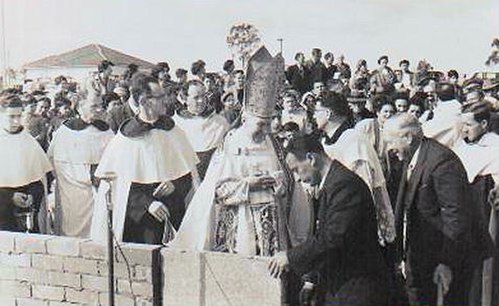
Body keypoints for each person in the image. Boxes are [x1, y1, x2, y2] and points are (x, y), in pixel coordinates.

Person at [171, 46, 311, 256]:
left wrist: (278, 181)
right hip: (240, 225)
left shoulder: (272, 143)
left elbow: (290, 182)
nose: (265, 130)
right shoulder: (229, 143)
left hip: (273, 224)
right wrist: (247, 185)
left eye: (268, 123)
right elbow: (217, 190)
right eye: (260, 125)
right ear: (245, 119)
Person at [268, 135, 389, 306]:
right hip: (342, 286)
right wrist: (311, 280)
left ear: (311, 158)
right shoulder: (334, 182)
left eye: (296, 170)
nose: (296, 178)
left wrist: (290, 257)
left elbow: (333, 238)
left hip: (355, 289)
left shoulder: (344, 186)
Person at [90, 73, 199, 244]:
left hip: (174, 216)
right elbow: (117, 185)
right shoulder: (126, 139)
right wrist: (147, 204)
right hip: (140, 223)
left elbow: (189, 175)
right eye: (159, 97)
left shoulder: (173, 132)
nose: (166, 100)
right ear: (143, 101)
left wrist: (175, 185)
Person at [383, 114, 473, 305]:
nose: (389, 148)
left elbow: (456, 217)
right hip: (416, 261)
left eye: (391, 141)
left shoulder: (441, 161)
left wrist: (447, 262)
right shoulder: (410, 158)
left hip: (438, 265)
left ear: (408, 137)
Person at [48, 90, 114, 238]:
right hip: (72, 194)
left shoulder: (106, 131)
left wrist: (101, 176)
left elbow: (115, 160)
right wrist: (87, 175)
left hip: (100, 193)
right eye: (93, 106)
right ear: (79, 107)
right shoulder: (65, 132)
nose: (99, 109)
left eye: (100, 105)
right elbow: (55, 163)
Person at [453, 102, 499, 305]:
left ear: (483, 124)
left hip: (485, 210)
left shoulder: (495, 147)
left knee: (485, 263)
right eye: (462, 125)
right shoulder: (462, 145)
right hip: (465, 209)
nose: (464, 129)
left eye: (469, 125)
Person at [0, 94, 52, 232]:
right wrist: (9, 197)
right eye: (11, 117)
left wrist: (32, 196)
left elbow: (40, 181)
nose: (16, 121)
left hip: (25, 213)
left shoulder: (28, 141)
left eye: (19, 116)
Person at [173, 80, 230, 180]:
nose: (201, 101)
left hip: (214, 176)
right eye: (196, 98)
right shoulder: (176, 124)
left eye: (203, 96)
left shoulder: (220, 122)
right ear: (185, 99)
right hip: (184, 179)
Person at [422, 82, 462, 148]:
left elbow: (424, 133)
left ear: (437, 97)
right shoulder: (462, 111)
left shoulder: (443, 113)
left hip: (444, 153)